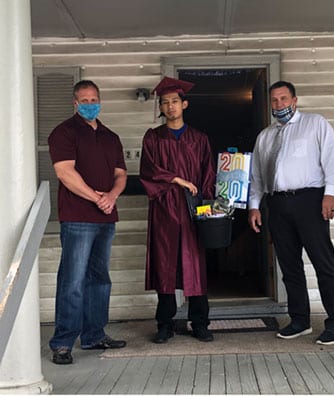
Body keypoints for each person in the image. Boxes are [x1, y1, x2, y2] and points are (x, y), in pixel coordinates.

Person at [248, 80, 334, 345]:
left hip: (310, 200)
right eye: (274, 100)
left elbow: (332, 159)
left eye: (284, 99)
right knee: (289, 265)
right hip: (277, 204)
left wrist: (331, 193)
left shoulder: (315, 124)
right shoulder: (265, 136)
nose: (279, 104)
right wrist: (254, 206)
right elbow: (257, 176)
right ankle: (299, 320)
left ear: (295, 100)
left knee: (323, 261)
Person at [48, 80, 128, 365]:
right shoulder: (64, 133)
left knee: (100, 279)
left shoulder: (110, 136)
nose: (90, 104)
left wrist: (112, 196)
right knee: (72, 281)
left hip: (106, 218)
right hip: (78, 218)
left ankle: (94, 335)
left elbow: (121, 175)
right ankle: (63, 343)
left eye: (94, 99)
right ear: (75, 103)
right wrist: (97, 198)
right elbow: (65, 173)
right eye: (84, 100)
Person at [139, 77, 217, 343]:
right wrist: (177, 179)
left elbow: (208, 175)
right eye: (165, 102)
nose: (170, 106)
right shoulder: (153, 138)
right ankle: (164, 324)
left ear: (184, 104)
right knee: (165, 265)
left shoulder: (200, 139)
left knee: (195, 265)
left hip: (193, 209)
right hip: (164, 209)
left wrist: (207, 208)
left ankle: (200, 322)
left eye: (175, 101)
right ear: (160, 107)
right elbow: (148, 171)